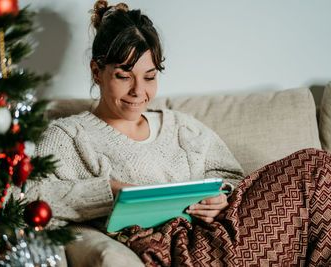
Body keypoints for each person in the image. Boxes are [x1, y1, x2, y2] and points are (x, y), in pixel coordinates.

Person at [24, 1, 331, 266]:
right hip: (172, 249)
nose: (138, 91)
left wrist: (222, 195)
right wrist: (109, 192)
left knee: (316, 168)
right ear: (96, 72)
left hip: (221, 231)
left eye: (149, 77)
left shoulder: (181, 127)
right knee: (313, 168)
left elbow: (234, 179)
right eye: (123, 76)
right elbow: (26, 198)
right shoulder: (69, 135)